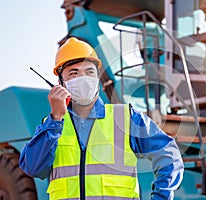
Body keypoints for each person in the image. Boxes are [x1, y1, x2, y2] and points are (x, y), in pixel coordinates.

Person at [19, 37, 184, 200]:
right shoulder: (52, 127)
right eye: (73, 73)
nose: (83, 78)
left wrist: (161, 197)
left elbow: (169, 156)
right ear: (60, 83)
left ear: (97, 77)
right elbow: (32, 168)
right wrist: (55, 119)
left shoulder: (126, 118)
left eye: (89, 72)